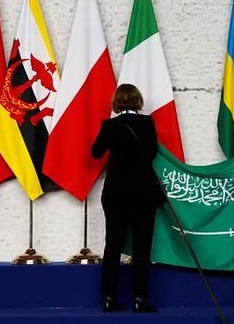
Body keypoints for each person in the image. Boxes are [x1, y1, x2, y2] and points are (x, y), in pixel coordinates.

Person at [91, 83, 164, 314]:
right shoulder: (147, 123)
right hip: (143, 193)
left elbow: (95, 153)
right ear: (137, 101)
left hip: (115, 193)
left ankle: (109, 298)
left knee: (112, 245)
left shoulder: (109, 125)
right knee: (141, 248)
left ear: (117, 103)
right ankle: (140, 299)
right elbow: (152, 152)